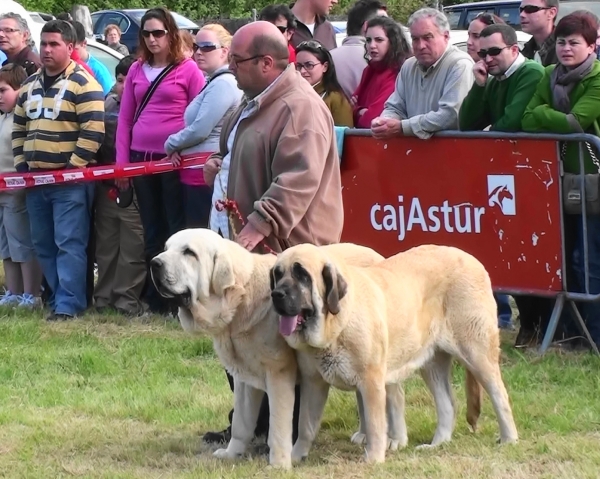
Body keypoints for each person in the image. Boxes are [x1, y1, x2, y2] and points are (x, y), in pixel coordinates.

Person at [202, 20, 343, 446]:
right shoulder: (256, 100)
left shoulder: (299, 108)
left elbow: (297, 178)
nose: (230, 68)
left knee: (287, 344)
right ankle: (252, 424)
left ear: (266, 62)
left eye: (237, 61)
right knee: (249, 337)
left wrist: (258, 224)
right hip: (259, 244)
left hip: (289, 247)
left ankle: (289, 431)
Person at [12, 20, 105, 321]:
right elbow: (18, 128)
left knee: (69, 243)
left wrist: (71, 168)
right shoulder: (29, 84)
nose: (47, 50)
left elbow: (93, 131)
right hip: (35, 179)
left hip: (70, 182)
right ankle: (57, 296)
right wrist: (21, 165)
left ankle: (69, 305)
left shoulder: (84, 83)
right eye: (44, 44)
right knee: (43, 243)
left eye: (54, 44)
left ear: (69, 46)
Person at [116, 7, 204, 316]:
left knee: (175, 229)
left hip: (174, 160)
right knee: (151, 230)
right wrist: (122, 165)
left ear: (171, 33)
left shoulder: (188, 69)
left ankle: (180, 298)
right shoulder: (138, 70)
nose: (152, 39)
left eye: (158, 33)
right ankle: (156, 301)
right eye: (146, 33)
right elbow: (125, 119)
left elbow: (201, 118)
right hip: (140, 159)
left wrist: (184, 145)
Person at [522, 11, 600, 351]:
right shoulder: (551, 74)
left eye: (575, 43)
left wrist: (544, 115)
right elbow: (526, 118)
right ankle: (570, 331)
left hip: (590, 179)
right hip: (556, 180)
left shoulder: (597, 79)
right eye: (563, 42)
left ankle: (594, 333)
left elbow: (578, 123)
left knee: (590, 258)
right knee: (565, 258)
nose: (567, 49)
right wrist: (547, 116)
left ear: (593, 46)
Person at [165, 24, 243, 228]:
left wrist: (171, 144)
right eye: (196, 46)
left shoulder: (224, 84)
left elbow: (200, 130)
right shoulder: (215, 81)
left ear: (225, 51)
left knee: (199, 239)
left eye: (207, 47)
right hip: (197, 171)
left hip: (204, 174)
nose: (199, 52)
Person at [94, 54, 146, 316]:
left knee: (132, 247)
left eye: (130, 80)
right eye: (119, 80)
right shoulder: (106, 105)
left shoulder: (147, 108)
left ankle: (126, 301)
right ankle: (102, 298)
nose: (123, 85)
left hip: (136, 187)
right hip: (106, 186)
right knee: (106, 246)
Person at [371, 8, 474, 140]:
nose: (420, 46)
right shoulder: (409, 66)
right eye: (415, 39)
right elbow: (395, 107)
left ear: (446, 36)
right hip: (414, 154)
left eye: (427, 37)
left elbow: (451, 115)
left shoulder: (460, 65)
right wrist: (384, 122)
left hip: (452, 154)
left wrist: (402, 127)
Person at [0, 63, 42, 309]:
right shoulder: (3, 117)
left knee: (22, 243)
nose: (0, 96)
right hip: (1, 191)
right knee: (5, 245)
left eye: (4, 90)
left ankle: (31, 293)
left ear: (19, 89)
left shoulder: (22, 117)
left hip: (17, 190)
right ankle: (13, 292)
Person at [460, 24, 545, 132]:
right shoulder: (492, 81)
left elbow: (512, 123)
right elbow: (466, 125)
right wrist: (479, 85)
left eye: (495, 51)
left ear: (514, 50)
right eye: (483, 53)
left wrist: (487, 137)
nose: (488, 59)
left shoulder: (532, 73)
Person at [352, 16, 411, 129]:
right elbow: (350, 107)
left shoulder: (398, 72)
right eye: (368, 40)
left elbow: (372, 120)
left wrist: (358, 111)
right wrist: (359, 110)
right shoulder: (369, 70)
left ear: (392, 42)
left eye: (379, 40)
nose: (372, 45)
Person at [330, 0, 388, 99]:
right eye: (384, 23)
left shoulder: (327, 58)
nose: (390, 28)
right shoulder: (380, 60)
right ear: (366, 27)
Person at [295, 40, 353, 126]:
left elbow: (344, 135)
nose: (302, 71)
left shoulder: (336, 99)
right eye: (299, 66)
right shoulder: (293, 94)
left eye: (309, 65)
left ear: (325, 67)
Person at [71, 21, 113, 95]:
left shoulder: (99, 72)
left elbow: (107, 101)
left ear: (84, 44)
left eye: (74, 49)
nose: (70, 53)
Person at [520, 0, 559, 66]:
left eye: (530, 9)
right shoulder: (525, 51)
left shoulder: (564, 50)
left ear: (551, 13)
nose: (522, 15)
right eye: (521, 10)